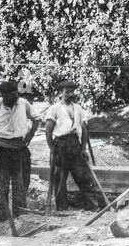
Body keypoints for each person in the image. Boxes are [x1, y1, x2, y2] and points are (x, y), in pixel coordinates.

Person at [0, 79, 40, 220]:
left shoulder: (23, 103)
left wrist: (30, 135)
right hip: (1, 150)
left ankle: (20, 218)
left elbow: (36, 118)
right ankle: (3, 220)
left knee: (21, 185)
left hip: (19, 149)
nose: (15, 96)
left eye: (16, 93)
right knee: (2, 187)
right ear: (3, 95)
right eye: (12, 94)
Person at [43, 78, 103, 210]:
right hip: (61, 145)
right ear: (61, 93)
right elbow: (48, 130)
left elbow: (84, 130)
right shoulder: (54, 109)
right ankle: (62, 209)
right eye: (67, 92)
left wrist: (83, 148)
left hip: (75, 144)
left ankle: (93, 206)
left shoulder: (78, 109)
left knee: (84, 178)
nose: (70, 94)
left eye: (72, 92)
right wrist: (53, 149)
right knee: (59, 179)